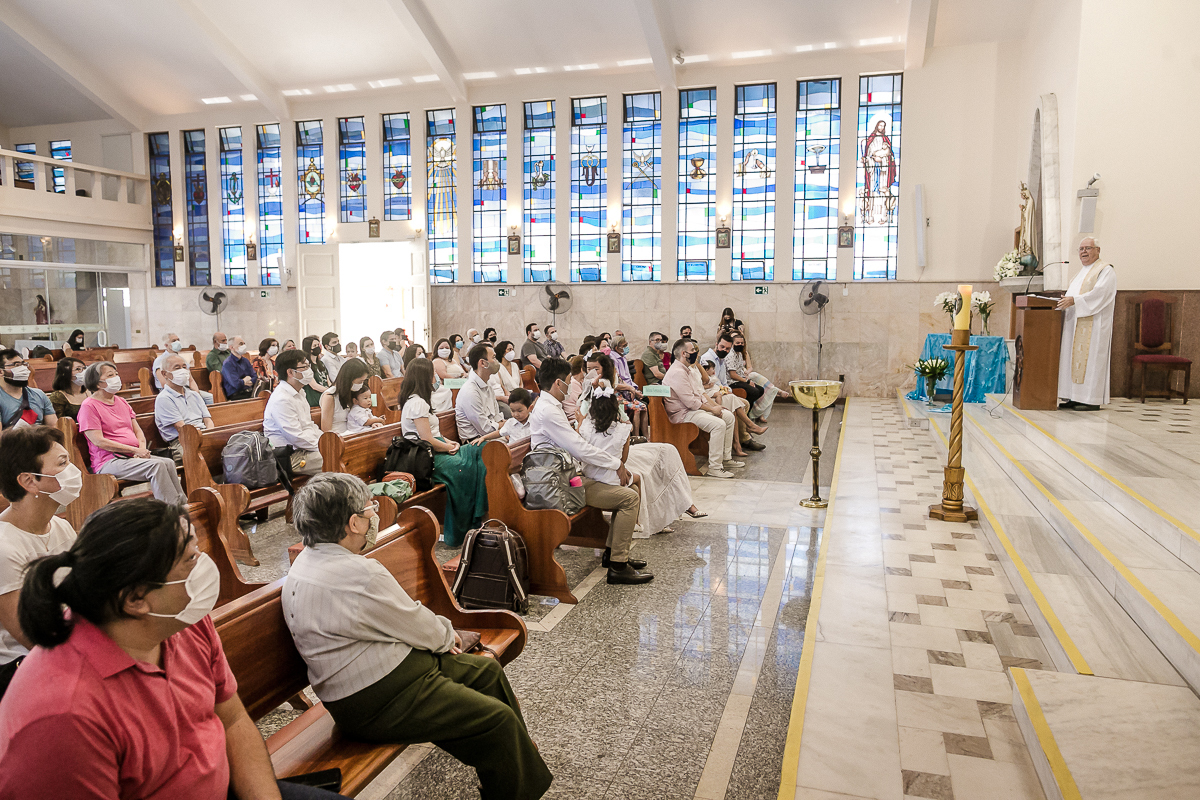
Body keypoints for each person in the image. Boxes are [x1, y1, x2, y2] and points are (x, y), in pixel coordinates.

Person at [0, 498, 348, 799]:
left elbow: (232, 720)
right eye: (190, 561)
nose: (205, 569)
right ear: (136, 598)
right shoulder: (62, 716)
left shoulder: (183, 620)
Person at [282, 474, 550, 800]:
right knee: (498, 721)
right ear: (353, 523)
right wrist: (446, 636)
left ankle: (519, 758)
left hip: (379, 679)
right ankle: (517, 776)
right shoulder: (356, 573)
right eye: (370, 509)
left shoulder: (307, 563)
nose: (374, 515)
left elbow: (399, 622)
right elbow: (412, 621)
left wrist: (439, 637)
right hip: (377, 698)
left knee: (486, 670)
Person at [531, 358, 651, 584]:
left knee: (631, 486)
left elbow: (578, 445)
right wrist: (616, 464)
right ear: (558, 383)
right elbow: (580, 449)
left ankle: (612, 553)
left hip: (569, 475)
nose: (570, 387)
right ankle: (618, 566)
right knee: (629, 498)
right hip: (562, 484)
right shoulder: (548, 411)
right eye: (568, 381)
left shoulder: (550, 406)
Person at [0, 426, 79, 699]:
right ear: (29, 481)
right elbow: (28, 635)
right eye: (62, 464)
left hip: (64, 643)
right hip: (19, 668)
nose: (74, 472)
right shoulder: (3, 546)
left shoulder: (60, 527)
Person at [582, 366, 703, 535]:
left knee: (667, 450)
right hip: (614, 460)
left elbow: (621, 426)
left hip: (621, 452)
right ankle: (651, 521)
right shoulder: (587, 409)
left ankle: (684, 504)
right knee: (646, 473)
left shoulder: (603, 411)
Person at [398, 360, 487, 547]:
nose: (435, 377)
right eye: (432, 374)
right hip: (427, 459)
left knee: (482, 449)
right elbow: (426, 440)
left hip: (436, 450)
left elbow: (434, 434)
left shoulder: (420, 401)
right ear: (424, 377)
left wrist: (449, 442)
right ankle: (463, 528)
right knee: (466, 467)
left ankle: (479, 515)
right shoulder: (417, 403)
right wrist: (449, 448)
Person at [78, 361, 187, 503]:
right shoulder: (89, 406)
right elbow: (99, 441)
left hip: (131, 456)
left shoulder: (121, 401)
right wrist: (134, 450)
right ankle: (171, 511)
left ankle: (183, 504)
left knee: (168, 463)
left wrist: (141, 449)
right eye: (110, 375)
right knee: (157, 466)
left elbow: (137, 431)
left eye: (116, 374)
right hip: (110, 460)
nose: (116, 378)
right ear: (98, 383)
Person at [663, 339, 740, 479]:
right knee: (719, 424)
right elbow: (691, 402)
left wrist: (714, 406)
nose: (695, 354)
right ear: (683, 353)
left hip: (692, 410)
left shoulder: (687, 370)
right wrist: (711, 410)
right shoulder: (677, 372)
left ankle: (726, 457)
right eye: (692, 351)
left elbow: (699, 393)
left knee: (728, 416)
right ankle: (715, 467)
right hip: (682, 414)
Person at [1058, 236, 1117, 411]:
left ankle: (1090, 400)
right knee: (1072, 358)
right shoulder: (1079, 273)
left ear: (1097, 250)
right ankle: (1074, 396)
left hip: (1094, 325)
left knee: (1090, 360)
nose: (1084, 252)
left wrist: (1075, 301)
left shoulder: (1105, 270)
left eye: (1088, 248)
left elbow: (1101, 294)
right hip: (1074, 324)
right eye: (1081, 249)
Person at [263, 349, 325, 475]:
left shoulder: (300, 392)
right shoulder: (282, 399)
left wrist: (325, 441)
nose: (309, 370)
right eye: (305, 366)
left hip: (306, 449)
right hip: (291, 456)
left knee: (345, 454)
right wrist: (324, 447)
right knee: (336, 459)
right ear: (290, 372)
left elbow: (309, 425)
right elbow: (296, 437)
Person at [154, 353, 214, 463]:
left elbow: (208, 420)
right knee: (199, 458)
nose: (182, 370)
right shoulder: (164, 398)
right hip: (182, 441)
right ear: (165, 374)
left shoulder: (194, 395)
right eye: (177, 368)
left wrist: (210, 437)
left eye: (184, 367)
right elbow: (182, 428)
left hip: (203, 435)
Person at [456, 344, 506, 443]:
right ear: (483, 363)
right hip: (476, 442)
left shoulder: (487, 385)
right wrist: (506, 426)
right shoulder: (470, 391)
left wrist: (506, 426)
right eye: (494, 358)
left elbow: (497, 416)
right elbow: (485, 429)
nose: (497, 362)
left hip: (492, 436)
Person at [728, 331, 779, 423]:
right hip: (732, 382)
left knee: (760, 389)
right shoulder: (730, 355)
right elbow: (733, 375)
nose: (740, 345)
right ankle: (745, 416)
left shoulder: (739, 354)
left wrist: (748, 380)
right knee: (754, 392)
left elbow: (741, 371)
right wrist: (746, 382)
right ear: (732, 344)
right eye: (737, 343)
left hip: (740, 379)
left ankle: (747, 413)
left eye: (742, 343)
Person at [0, 350, 56, 430]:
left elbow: (53, 427)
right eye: (16, 365)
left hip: (40, 440)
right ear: (1, 371)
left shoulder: (39, 394)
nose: (22, 368)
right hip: (11, 441)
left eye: (23, 364)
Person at [609, 335, 647, 437]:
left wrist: (635, 389)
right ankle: (636, 437)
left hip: (627, 391)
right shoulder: (612, 359)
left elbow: (628, 378)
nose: (626, 347)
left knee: (643, 406)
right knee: (637, 409)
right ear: (617, 348)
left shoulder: (623, 357)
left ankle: (647, 437)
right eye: (624, 345)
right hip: (618, 394)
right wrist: (631, 389)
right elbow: (617, 382)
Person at [320, 359, 371, 435]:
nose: (361, 385)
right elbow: (326, 431)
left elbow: (362, 414)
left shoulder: (352, 392)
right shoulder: (330, 396)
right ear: (349, 379)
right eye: (360, 382)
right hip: (339, 438)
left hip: (355, 433)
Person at [48, 357, 88, 421]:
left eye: (84, 368)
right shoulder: (58, 397)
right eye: (78, 369)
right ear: (65, 373)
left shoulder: (92, 391)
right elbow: (59, 423)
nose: (83, 372)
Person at [430, 337, 463, 413]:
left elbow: (462, 371)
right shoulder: (437, 361)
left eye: (447, 348)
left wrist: (465, 375)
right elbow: (444, 375)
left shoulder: (453, 360)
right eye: (441, 348)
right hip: (448, 383)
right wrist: (459, 380)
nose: (444, 349)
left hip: (459, 381)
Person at [220, 335, 257, 401]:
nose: (243, 346)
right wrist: (245, 380)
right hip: (236, 394)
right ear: (231, 347)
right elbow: (236, 384)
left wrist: (248, 381)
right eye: (240, 344)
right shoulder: (228, 363)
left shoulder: (245, 360)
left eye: (244, 344)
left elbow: (254, 376)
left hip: (249, 391)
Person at [489, 340, 522, 409]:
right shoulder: (498, 367)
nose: (512, 352)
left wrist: (521, 391)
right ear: (503, 352)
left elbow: (521, 383)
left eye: (512, 349)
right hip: (509, 395)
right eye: (509, 349)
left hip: (520, 392)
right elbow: (501, 385)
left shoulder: (515, 365)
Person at [302, 335, 332, 407]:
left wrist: (332, 389)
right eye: (314, 345)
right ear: (309, 348)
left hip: (325, 399)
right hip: (314, 401)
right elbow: (314, 386)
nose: (317, 347)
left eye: (318, 345)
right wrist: (330, 391)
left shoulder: (321, 363)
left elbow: (328, 381)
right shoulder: (305, 365)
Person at [563, 355, 588, 424]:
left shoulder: (580, 381)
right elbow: (581, 404)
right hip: (575, 419)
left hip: (581, 416)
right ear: (582, 369)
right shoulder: (573, 383)